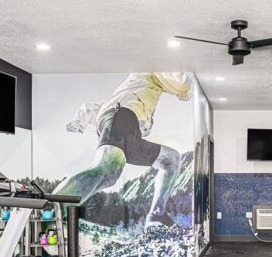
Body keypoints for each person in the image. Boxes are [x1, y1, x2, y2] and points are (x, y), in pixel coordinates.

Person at [58, 72, 192, 229]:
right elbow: (181, 83)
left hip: (128, 128)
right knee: (106, 170)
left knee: (171, 159)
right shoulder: (148, 71)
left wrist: (79, 121)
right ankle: (50, 209)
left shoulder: (125, 92)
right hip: (123, 117)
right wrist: (189, 89)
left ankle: (156, 214)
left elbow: (92, 108)